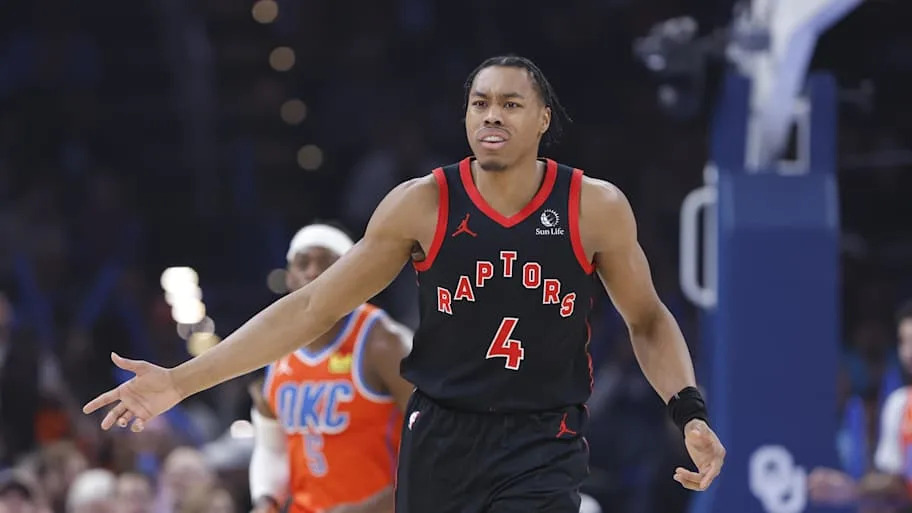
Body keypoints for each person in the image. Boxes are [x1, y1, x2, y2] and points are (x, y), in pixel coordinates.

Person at [83, 55, 726, 512]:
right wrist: (178, 381)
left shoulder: (595, 207)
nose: (491, 115)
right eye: (480, 103)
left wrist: (689, 411)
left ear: (543, 122)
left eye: (510, 103)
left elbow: (647, 319)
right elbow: (310, 307)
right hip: (442, 437)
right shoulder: (423, 205)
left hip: (543, 437)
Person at [248, 223, 413, 513]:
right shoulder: (275, 346)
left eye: (327, 263)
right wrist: (265, 501)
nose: (313, 272)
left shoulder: (383, 341)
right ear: (289, 278)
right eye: (303, 263)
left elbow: (438, 439)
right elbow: (271, 447)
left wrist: (372, 507)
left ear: (350, 274)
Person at [808, 301, 912, 510]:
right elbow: (897, 484)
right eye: (903, 341)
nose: (909, 352)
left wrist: (853, 489)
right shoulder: (898, 405)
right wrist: (854, 491)